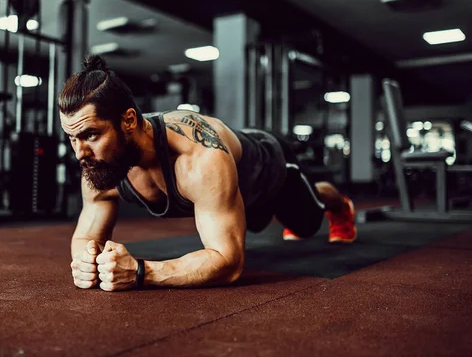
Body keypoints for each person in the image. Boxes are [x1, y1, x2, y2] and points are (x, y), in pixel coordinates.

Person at [61, 55, 357, 292]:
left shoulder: (198, 154)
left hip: (269, 172)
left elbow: (228, 262)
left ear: (128, 121)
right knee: (250, 221)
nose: (79, 153)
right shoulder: (101, 163)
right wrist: (85, 263)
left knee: (305, 224)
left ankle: (339, 205)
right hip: (231, 197)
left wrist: (140, 271)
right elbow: (86, 235)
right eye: (72, 138)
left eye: (90, 135)